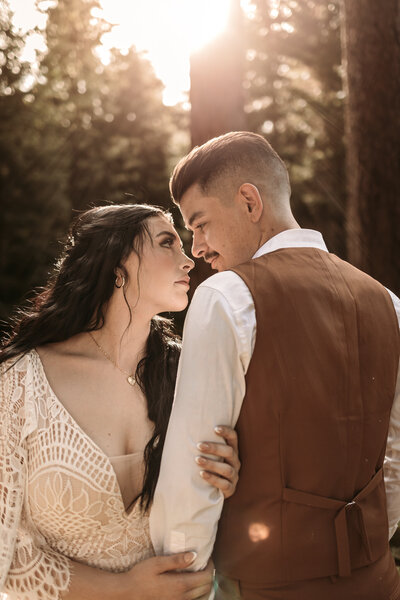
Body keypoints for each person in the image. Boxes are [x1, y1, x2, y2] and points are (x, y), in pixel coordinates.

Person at [150, 131, 400, 599]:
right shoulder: (389, 302)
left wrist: (181, 576)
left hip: (263, 586)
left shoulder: (226, 298)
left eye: (200, 224)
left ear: (249, 201)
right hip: (379, 581)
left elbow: (197, 464)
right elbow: (395, 455)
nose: (198, 247)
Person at [0, 203, 241, 600]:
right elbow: (6, 555)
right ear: (117, 263)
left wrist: (229, 478)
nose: (189, 261)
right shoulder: (19, 381)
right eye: (168, 243)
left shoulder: (190, 372)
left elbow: (216, 518)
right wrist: (123, 589)